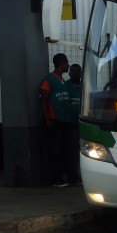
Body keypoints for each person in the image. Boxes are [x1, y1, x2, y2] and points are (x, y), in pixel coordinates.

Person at [40, 53, 72, 187]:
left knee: (64, 150)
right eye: (67, 63)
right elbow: (43, 101)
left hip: (65, 120)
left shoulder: (62, 80)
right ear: (62, 63)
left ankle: (64, 176)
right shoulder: (49, 80)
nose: (68, 65)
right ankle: (57, 179)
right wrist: (48, 120)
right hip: (55, 121)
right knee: (55, 150)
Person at [65, 63, 83, 185]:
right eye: (73, 71)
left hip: (84, 124)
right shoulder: (65, 86)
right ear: (69, 73)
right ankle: (72, 177)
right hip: (71, 124)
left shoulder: (85, 86)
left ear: (81, 73)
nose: (75, 73)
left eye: (78, 71)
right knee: (72, 152)